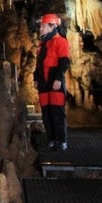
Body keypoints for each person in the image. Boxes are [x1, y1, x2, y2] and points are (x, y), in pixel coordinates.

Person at [34, 13, 71, 151]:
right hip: (43, 82)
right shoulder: (42, 44)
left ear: (52, 26)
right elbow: (39, 64)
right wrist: (36, 78)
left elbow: (64, 62)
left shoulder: (60, 41)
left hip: (55, 81)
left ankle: (61, 140)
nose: (40, 29)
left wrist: (57, 79)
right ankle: (50, 139)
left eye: (43, 26)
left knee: (56, 112)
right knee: (46, 113)